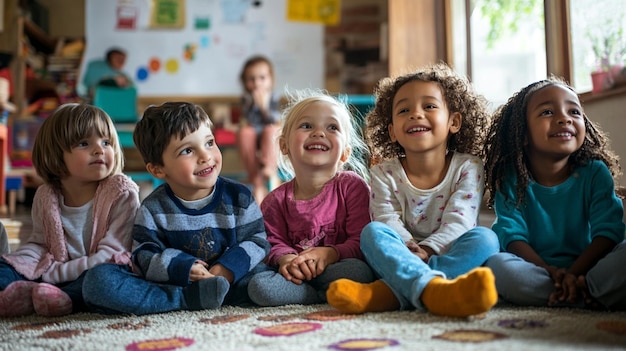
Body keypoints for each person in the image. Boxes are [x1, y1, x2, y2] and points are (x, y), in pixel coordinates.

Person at [326, 63, 500, 317]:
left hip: (447, 251)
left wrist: (428, 250)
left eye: (429, 106)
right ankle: (436, 291)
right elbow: (386, 218)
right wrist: (409, 247)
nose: (415, 114)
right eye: (404, 109)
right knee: (372, 232)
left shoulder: (468, 166)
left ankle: (388, 294)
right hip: (399, 255)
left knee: (487, 239)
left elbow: (461, 219)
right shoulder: (383, 173)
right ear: (392, 132)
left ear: (454, 121)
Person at [82, 102, 270, 315]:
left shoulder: (239, 196)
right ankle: (187, 300)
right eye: (188, 150)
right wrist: (184, 268)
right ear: (158, 169)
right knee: (98, 281)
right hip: (179, 285)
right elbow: (144, 255)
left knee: (267, 282)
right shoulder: (153, 208)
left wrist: (224, 270)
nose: (205, 156)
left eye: (209, 143)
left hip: (235, 279)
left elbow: (257, 240)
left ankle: (220, 293)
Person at [483, 77, 626, 310]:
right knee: (497, 265)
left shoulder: (595, 172)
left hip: (593, 266)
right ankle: (585, 296)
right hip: (537, 270)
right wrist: (550, 272)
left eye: (574, 112)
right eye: (548, 112)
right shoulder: (512, 178)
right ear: (523, 134)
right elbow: (511, 236)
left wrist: (574, 272)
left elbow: (609, 232)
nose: (564, 118)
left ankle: (575, 291)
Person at [0, 103, 140, 317]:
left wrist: (54, 273)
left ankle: (64, 298)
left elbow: (112, 255)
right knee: (7, 269)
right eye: (84, 143)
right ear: (56, 155)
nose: (99, 149)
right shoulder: (46, 195)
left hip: (102, 271)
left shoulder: (121, 194)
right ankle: (29, 293)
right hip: (55, 274)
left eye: (106, 142)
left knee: (102, 280)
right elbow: (40, 244)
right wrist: (19, 262)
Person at [247, 90, 375, 306]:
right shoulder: (275, 200)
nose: (319, 133)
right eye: (307, 126)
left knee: (360, 271)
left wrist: (329, 254)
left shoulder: (352, 187)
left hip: (337, 267)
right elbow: (271, 242)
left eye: (332, 127)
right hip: (295, 276)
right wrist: (287, 260)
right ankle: (318, 295)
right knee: (259, 286)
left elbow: (361, 241)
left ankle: (318, 291)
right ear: (284, 145)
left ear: (345, 152)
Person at [237, 55, 281, 203]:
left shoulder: (273, 97)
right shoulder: (246, 98)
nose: (257, 83)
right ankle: (256, 179)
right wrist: (253, 104)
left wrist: (263, 107)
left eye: (262, 78)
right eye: (251, 79)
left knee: (271, 130)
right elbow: (249, 121)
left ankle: (269, 167)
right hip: (253, 132)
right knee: (244, 133)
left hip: (268, 133)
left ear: (271, 79)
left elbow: (273, 121)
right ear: (245, 81)